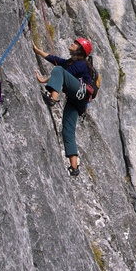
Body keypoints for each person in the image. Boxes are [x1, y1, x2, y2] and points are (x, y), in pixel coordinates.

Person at [33, 37, 94, 177]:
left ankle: (53, 98)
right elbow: (55, 60)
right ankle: (74, 166)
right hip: (78, 101)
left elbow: (62, 72)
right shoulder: (72, 62)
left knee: (59, 70)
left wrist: (43, 80)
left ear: (80, 49)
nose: (72, 44)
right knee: (67, 129)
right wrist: (37, 51)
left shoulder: (82, 64)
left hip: (80, 91)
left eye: (75, 43)